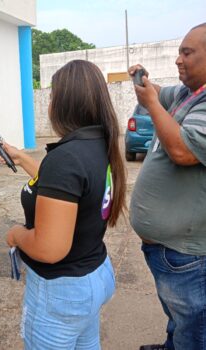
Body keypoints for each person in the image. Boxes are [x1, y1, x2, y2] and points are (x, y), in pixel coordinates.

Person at [1, 59, 126, 349]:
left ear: (64, 104)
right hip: (94, 275)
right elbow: (68, 194)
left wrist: (17, 235)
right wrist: (23, 159)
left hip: (62, 290)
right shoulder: (99, 144)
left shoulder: (66, 158)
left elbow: (49, 248)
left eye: (53, 96)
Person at [129, 23, 206, 350]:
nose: (178, 59)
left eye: (187, 53)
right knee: (178, 313)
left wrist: (152, 104)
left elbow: (182, 151)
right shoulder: (191, 93)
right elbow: (158, 92)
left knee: (194, 326)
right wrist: (143, 82)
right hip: (167, 248)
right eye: (178, 51)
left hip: (184, 252)